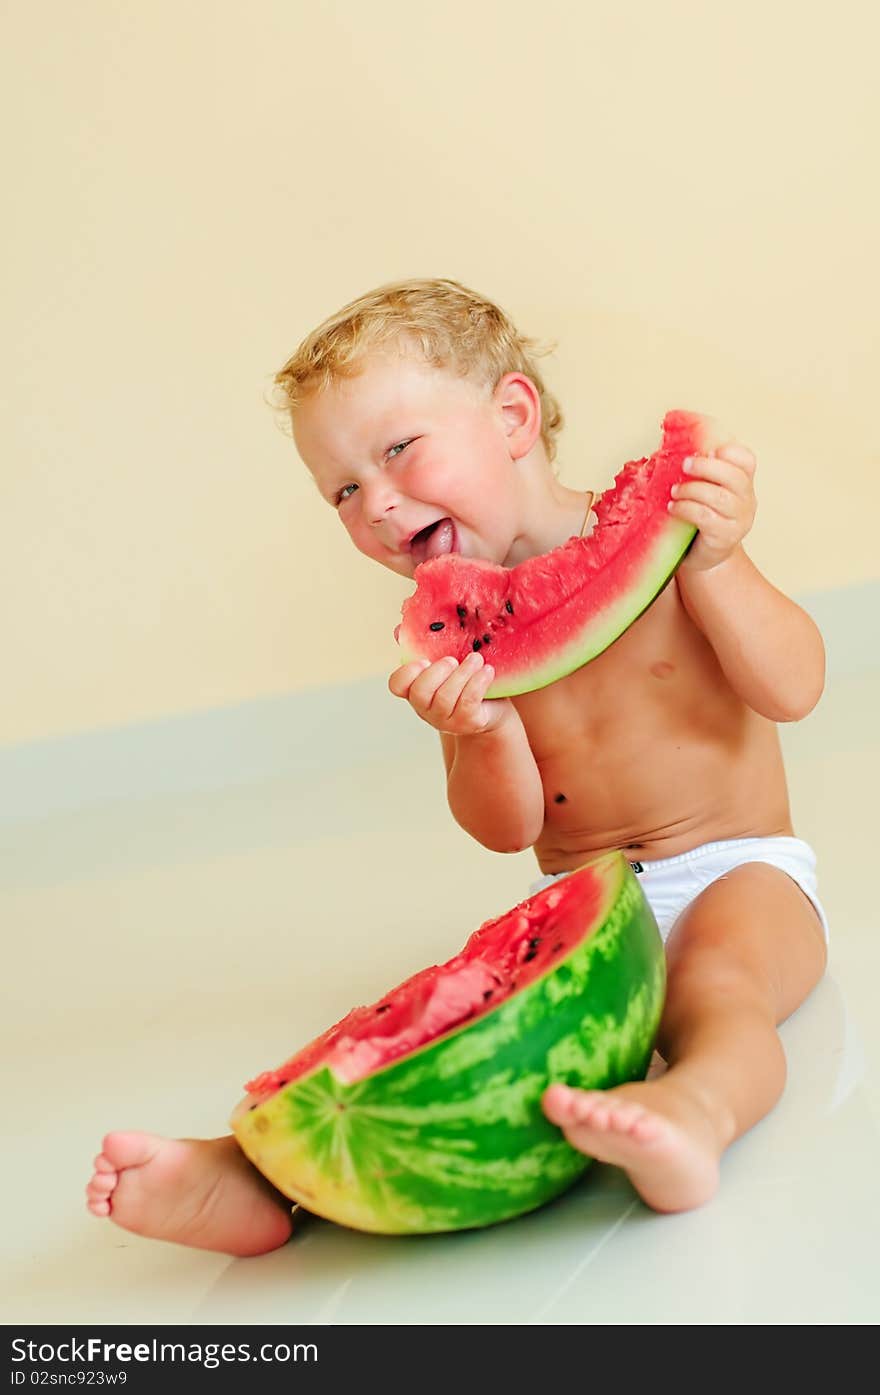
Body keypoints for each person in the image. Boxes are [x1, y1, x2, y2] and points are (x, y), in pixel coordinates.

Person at [86, 278, 828, 1254]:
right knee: (435, 1023)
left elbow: (793, 686)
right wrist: (483, 734)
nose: (378, 502)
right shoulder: (452, 639)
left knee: (717, 989)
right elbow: (506, 829)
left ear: (512, 415)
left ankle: (696, 1112)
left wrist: (722, 564)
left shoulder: (678, 544)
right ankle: (254, 1173)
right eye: (344, 489)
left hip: (740, 873)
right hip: (585, 900)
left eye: (397, 451)